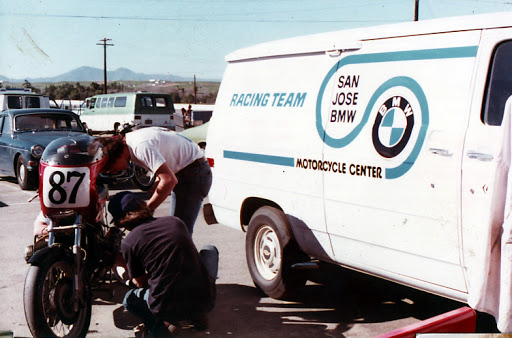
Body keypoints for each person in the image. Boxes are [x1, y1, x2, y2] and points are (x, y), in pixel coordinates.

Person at [108, 191, 218, 336]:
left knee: (130, 299)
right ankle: (196, 315)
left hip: (166, 308)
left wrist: (122, 266)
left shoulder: (129, 242)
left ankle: (157, 328)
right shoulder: (175, 222)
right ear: (144, 207)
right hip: (205, 301)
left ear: (121, 221)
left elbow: (141, 283)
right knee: (210, 250)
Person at [98, 126, 212, 234]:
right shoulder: (131, 141)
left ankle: (184, 253)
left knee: (180, 230)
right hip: (186, 170)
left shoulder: (140, 147)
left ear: (117, 155)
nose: (113, 172)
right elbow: (164, 168)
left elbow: (169, 180)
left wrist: (147, 210)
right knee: (175, 226)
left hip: (194, 173)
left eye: (110, 168)